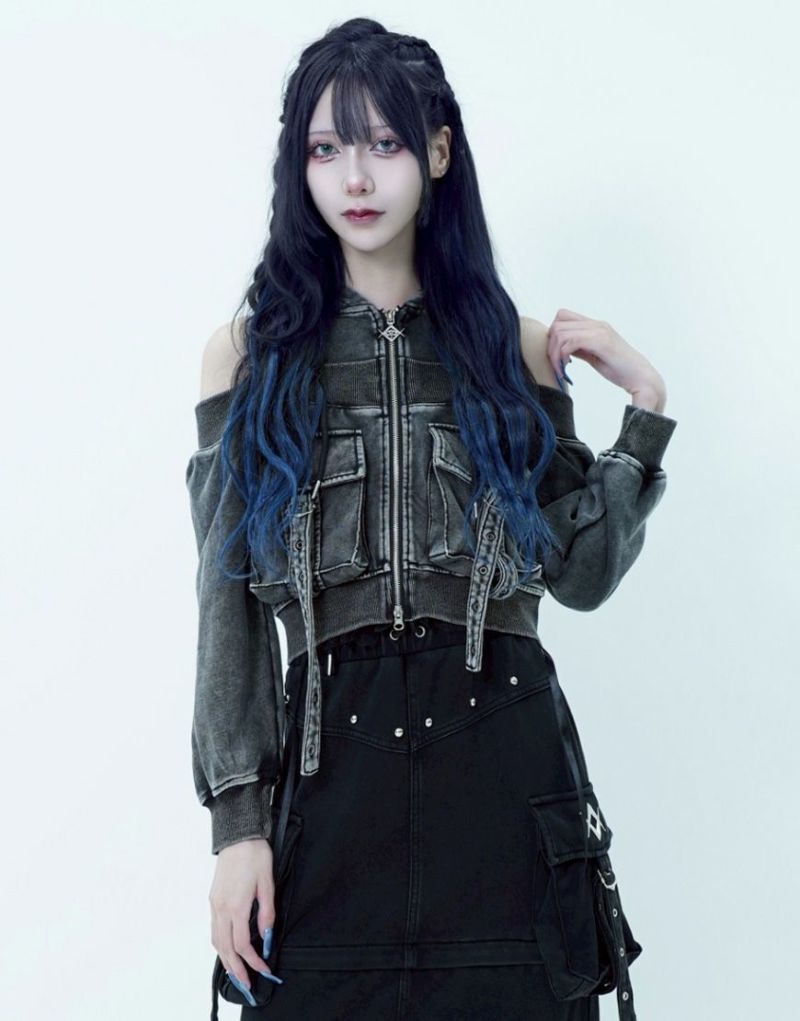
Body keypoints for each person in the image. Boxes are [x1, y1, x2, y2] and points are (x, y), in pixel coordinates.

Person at [185, 17, 677, 1021]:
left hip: (505, 786)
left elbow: (580, 575)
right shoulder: (247, 359)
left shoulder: (517, 351)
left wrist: (645, 415)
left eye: (385, 142)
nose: (356, 176)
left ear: (438, 151)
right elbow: (225, 603)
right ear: (299, 167)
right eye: (327, 148)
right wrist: (238, 828)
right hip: (329, 795)